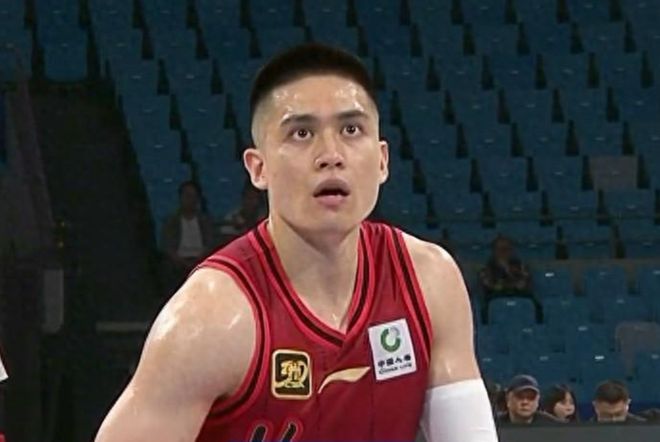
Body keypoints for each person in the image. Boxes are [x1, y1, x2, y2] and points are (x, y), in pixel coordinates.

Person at [95, 43, 497, 442]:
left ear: (382, 161)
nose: (331, 155)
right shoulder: (209, 318)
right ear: (258, 168)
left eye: (351, 130)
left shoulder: (429, 281)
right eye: (301, 133)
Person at [160, 180, 215, 292]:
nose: (190, 200)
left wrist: (199, 259)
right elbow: (167, 246)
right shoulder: (171, 221)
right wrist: (181, 261)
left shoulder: (205, 221)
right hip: (178, 262)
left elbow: (210, 243)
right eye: (187, 196)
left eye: (193, 196)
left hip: (200, 260)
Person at [479, 235, 541, 322]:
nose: (503, 252)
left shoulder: (521, 266)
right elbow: (491, 285)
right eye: (500, 249)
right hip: (495, 297)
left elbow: (523, 284)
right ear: (494, 251)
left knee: (535, 304)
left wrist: (508, 271)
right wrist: (509, 283)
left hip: (519, 295)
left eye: (506, 249)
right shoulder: (487, 269)